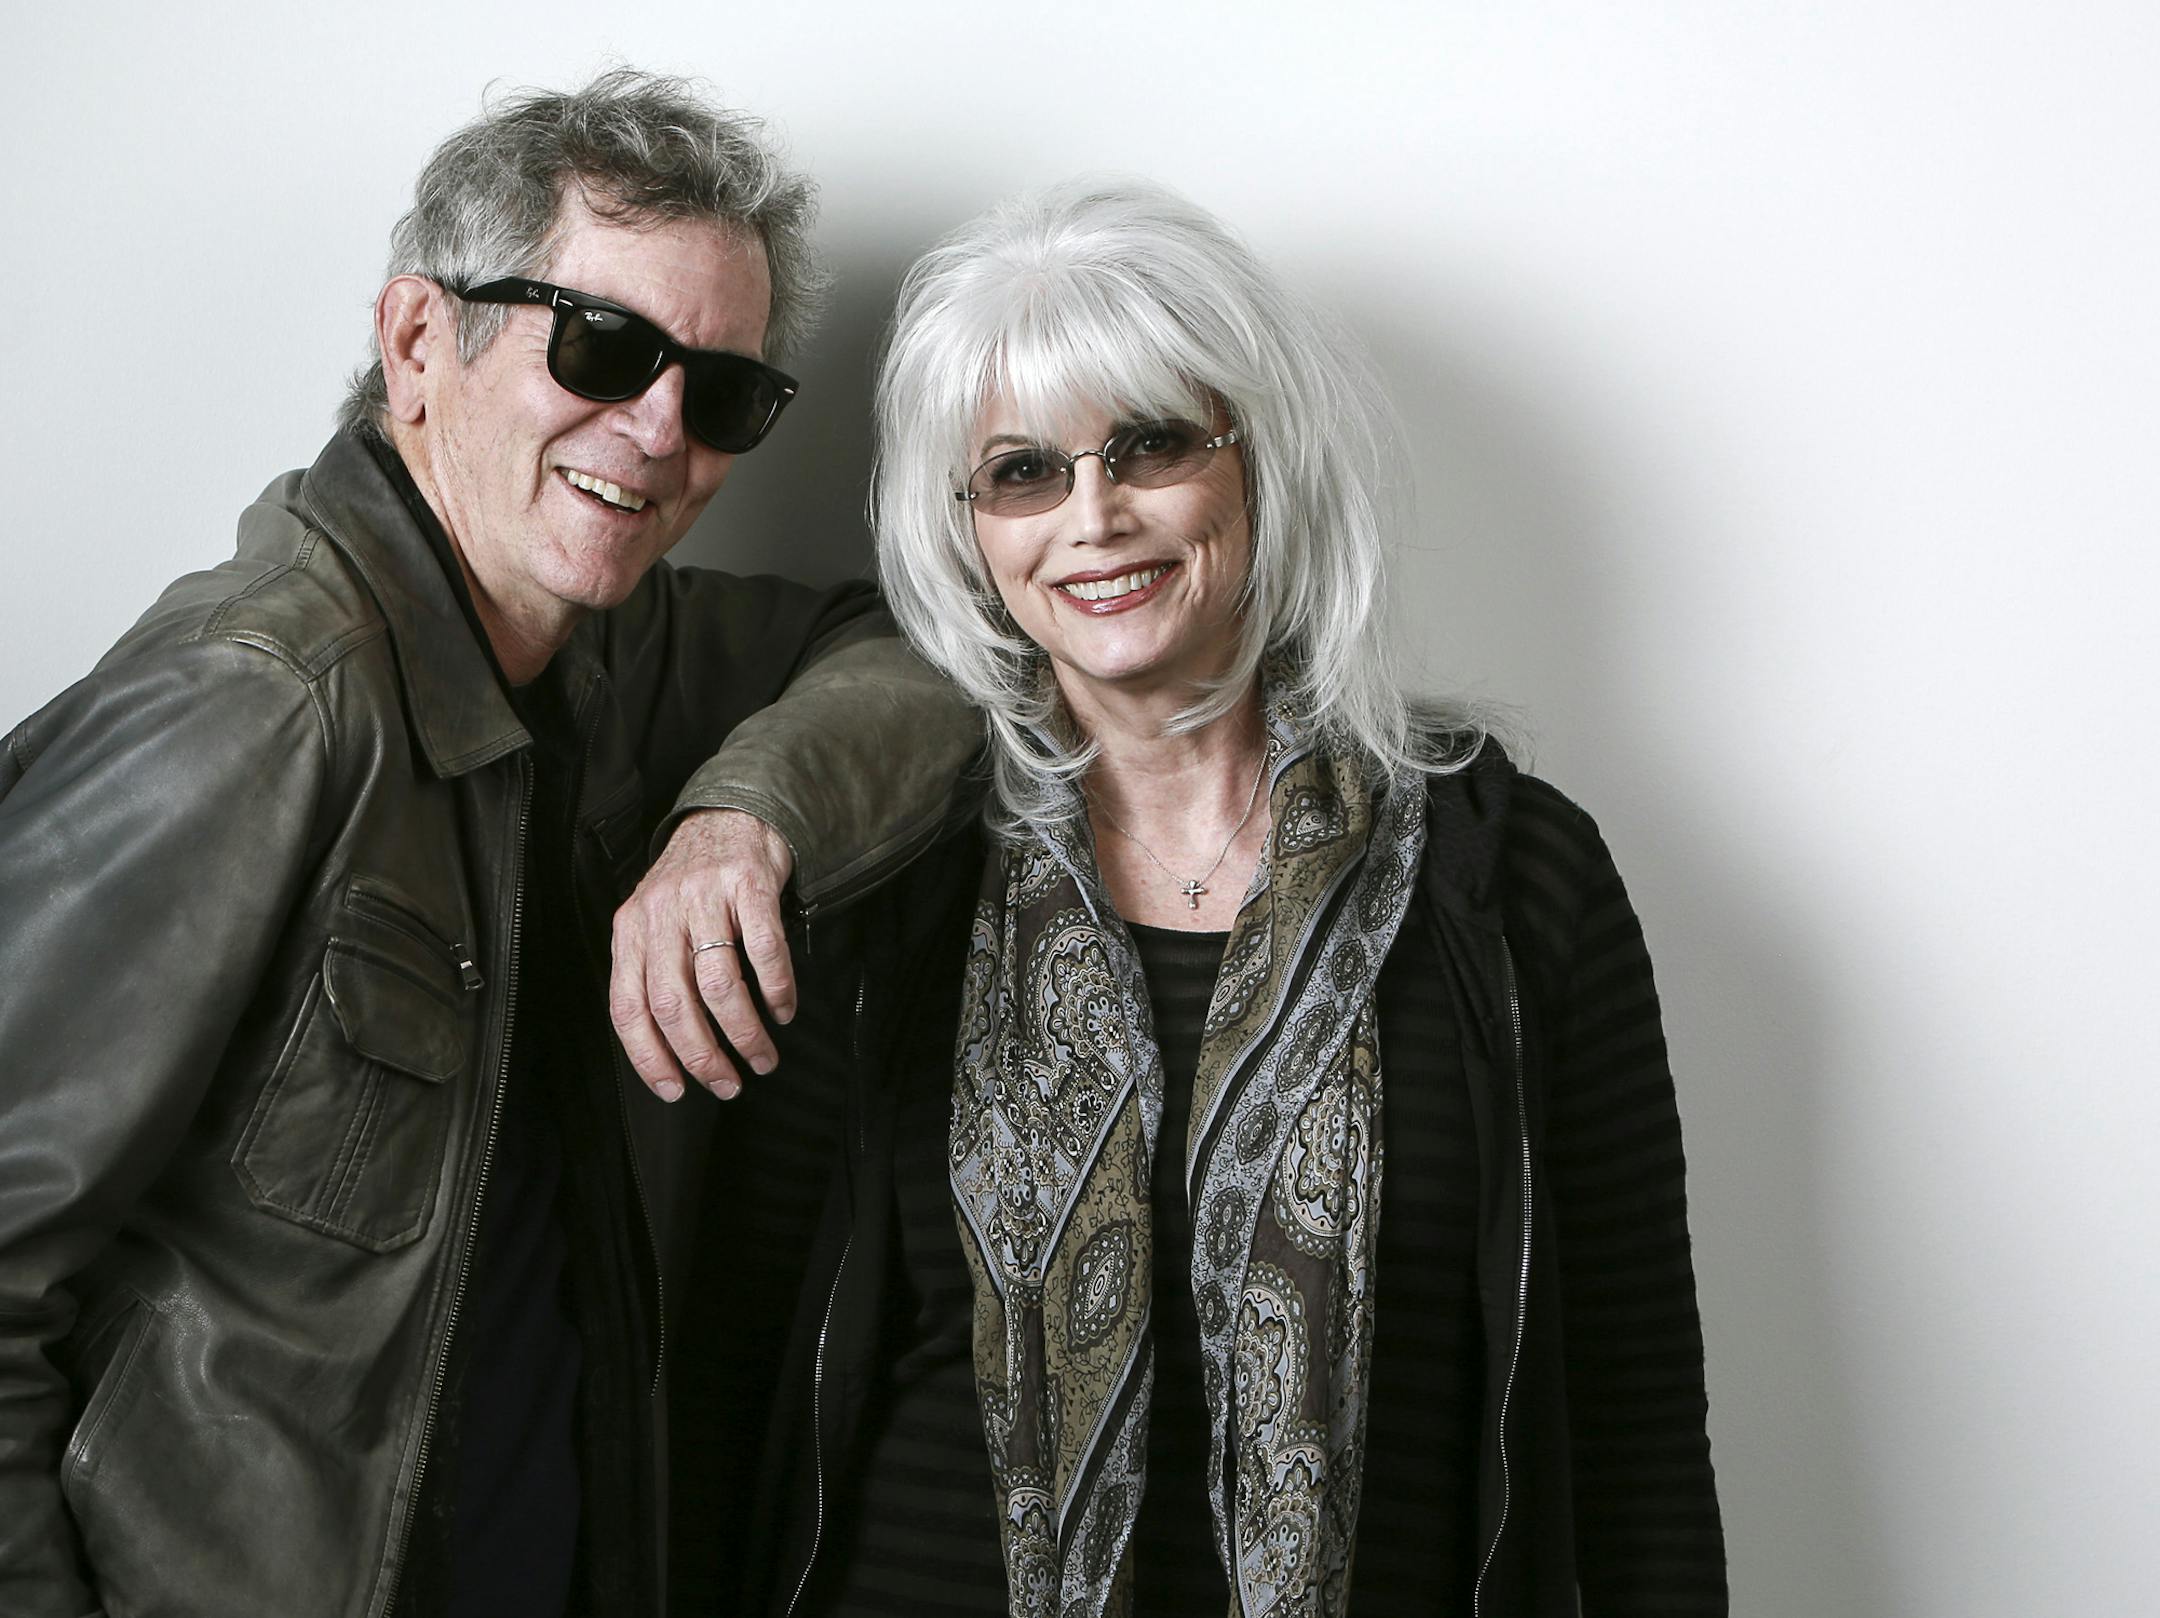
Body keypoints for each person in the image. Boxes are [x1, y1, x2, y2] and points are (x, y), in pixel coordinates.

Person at [666, 180, 1726, 1616]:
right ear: (969, 527)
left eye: (1150, 445)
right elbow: (727, 1396)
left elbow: (1635, 1421)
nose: (1093, 520)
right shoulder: (883, 884)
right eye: (1024, 473)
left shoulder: (1515, 881)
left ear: (1258, 461)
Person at [0, 70, 975, 1618]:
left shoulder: (598, 652)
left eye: (721, 393)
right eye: (601, 347)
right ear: (416, 342)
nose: (657, 430)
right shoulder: (264, 705)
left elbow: (923, 654)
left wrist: (746, 813)